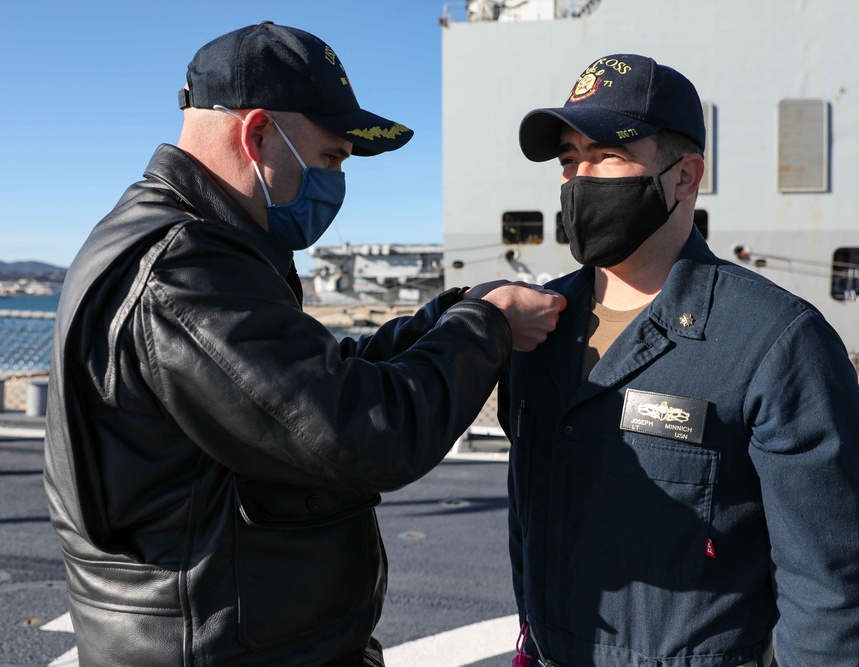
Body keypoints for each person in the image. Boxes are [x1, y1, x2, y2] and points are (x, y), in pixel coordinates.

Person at [44, 22, 565, 666]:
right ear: (259, 134)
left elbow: (314, 384)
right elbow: (361, 432)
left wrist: (451, 314)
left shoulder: (197, 242)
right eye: (330, 158)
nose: (337, 182)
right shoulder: (188, 268)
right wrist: (486, 326)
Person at [502, 54, 859, 667]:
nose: (578, 180)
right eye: (569, 160)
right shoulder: (534, 329)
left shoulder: (776, 342)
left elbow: (832, 590)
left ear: (685, 178)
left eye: (604, 155)